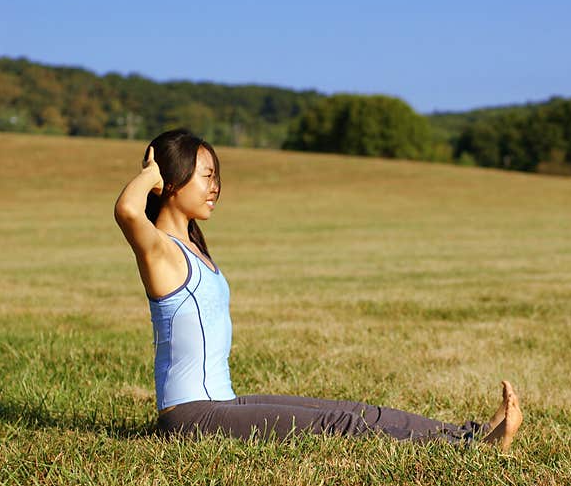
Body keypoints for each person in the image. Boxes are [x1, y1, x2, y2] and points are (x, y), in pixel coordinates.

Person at [114, 128, 523, 451]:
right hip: (189, 418)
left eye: (216, 176)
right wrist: (151, 174)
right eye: (206, 176)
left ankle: (470, 436)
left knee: (352, 411)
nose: (216, 186)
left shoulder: (192, 247)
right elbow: (127, 210)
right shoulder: (160, 250)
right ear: (171, 182)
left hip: (221, 404)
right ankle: (466, 447)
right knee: (337, 426)